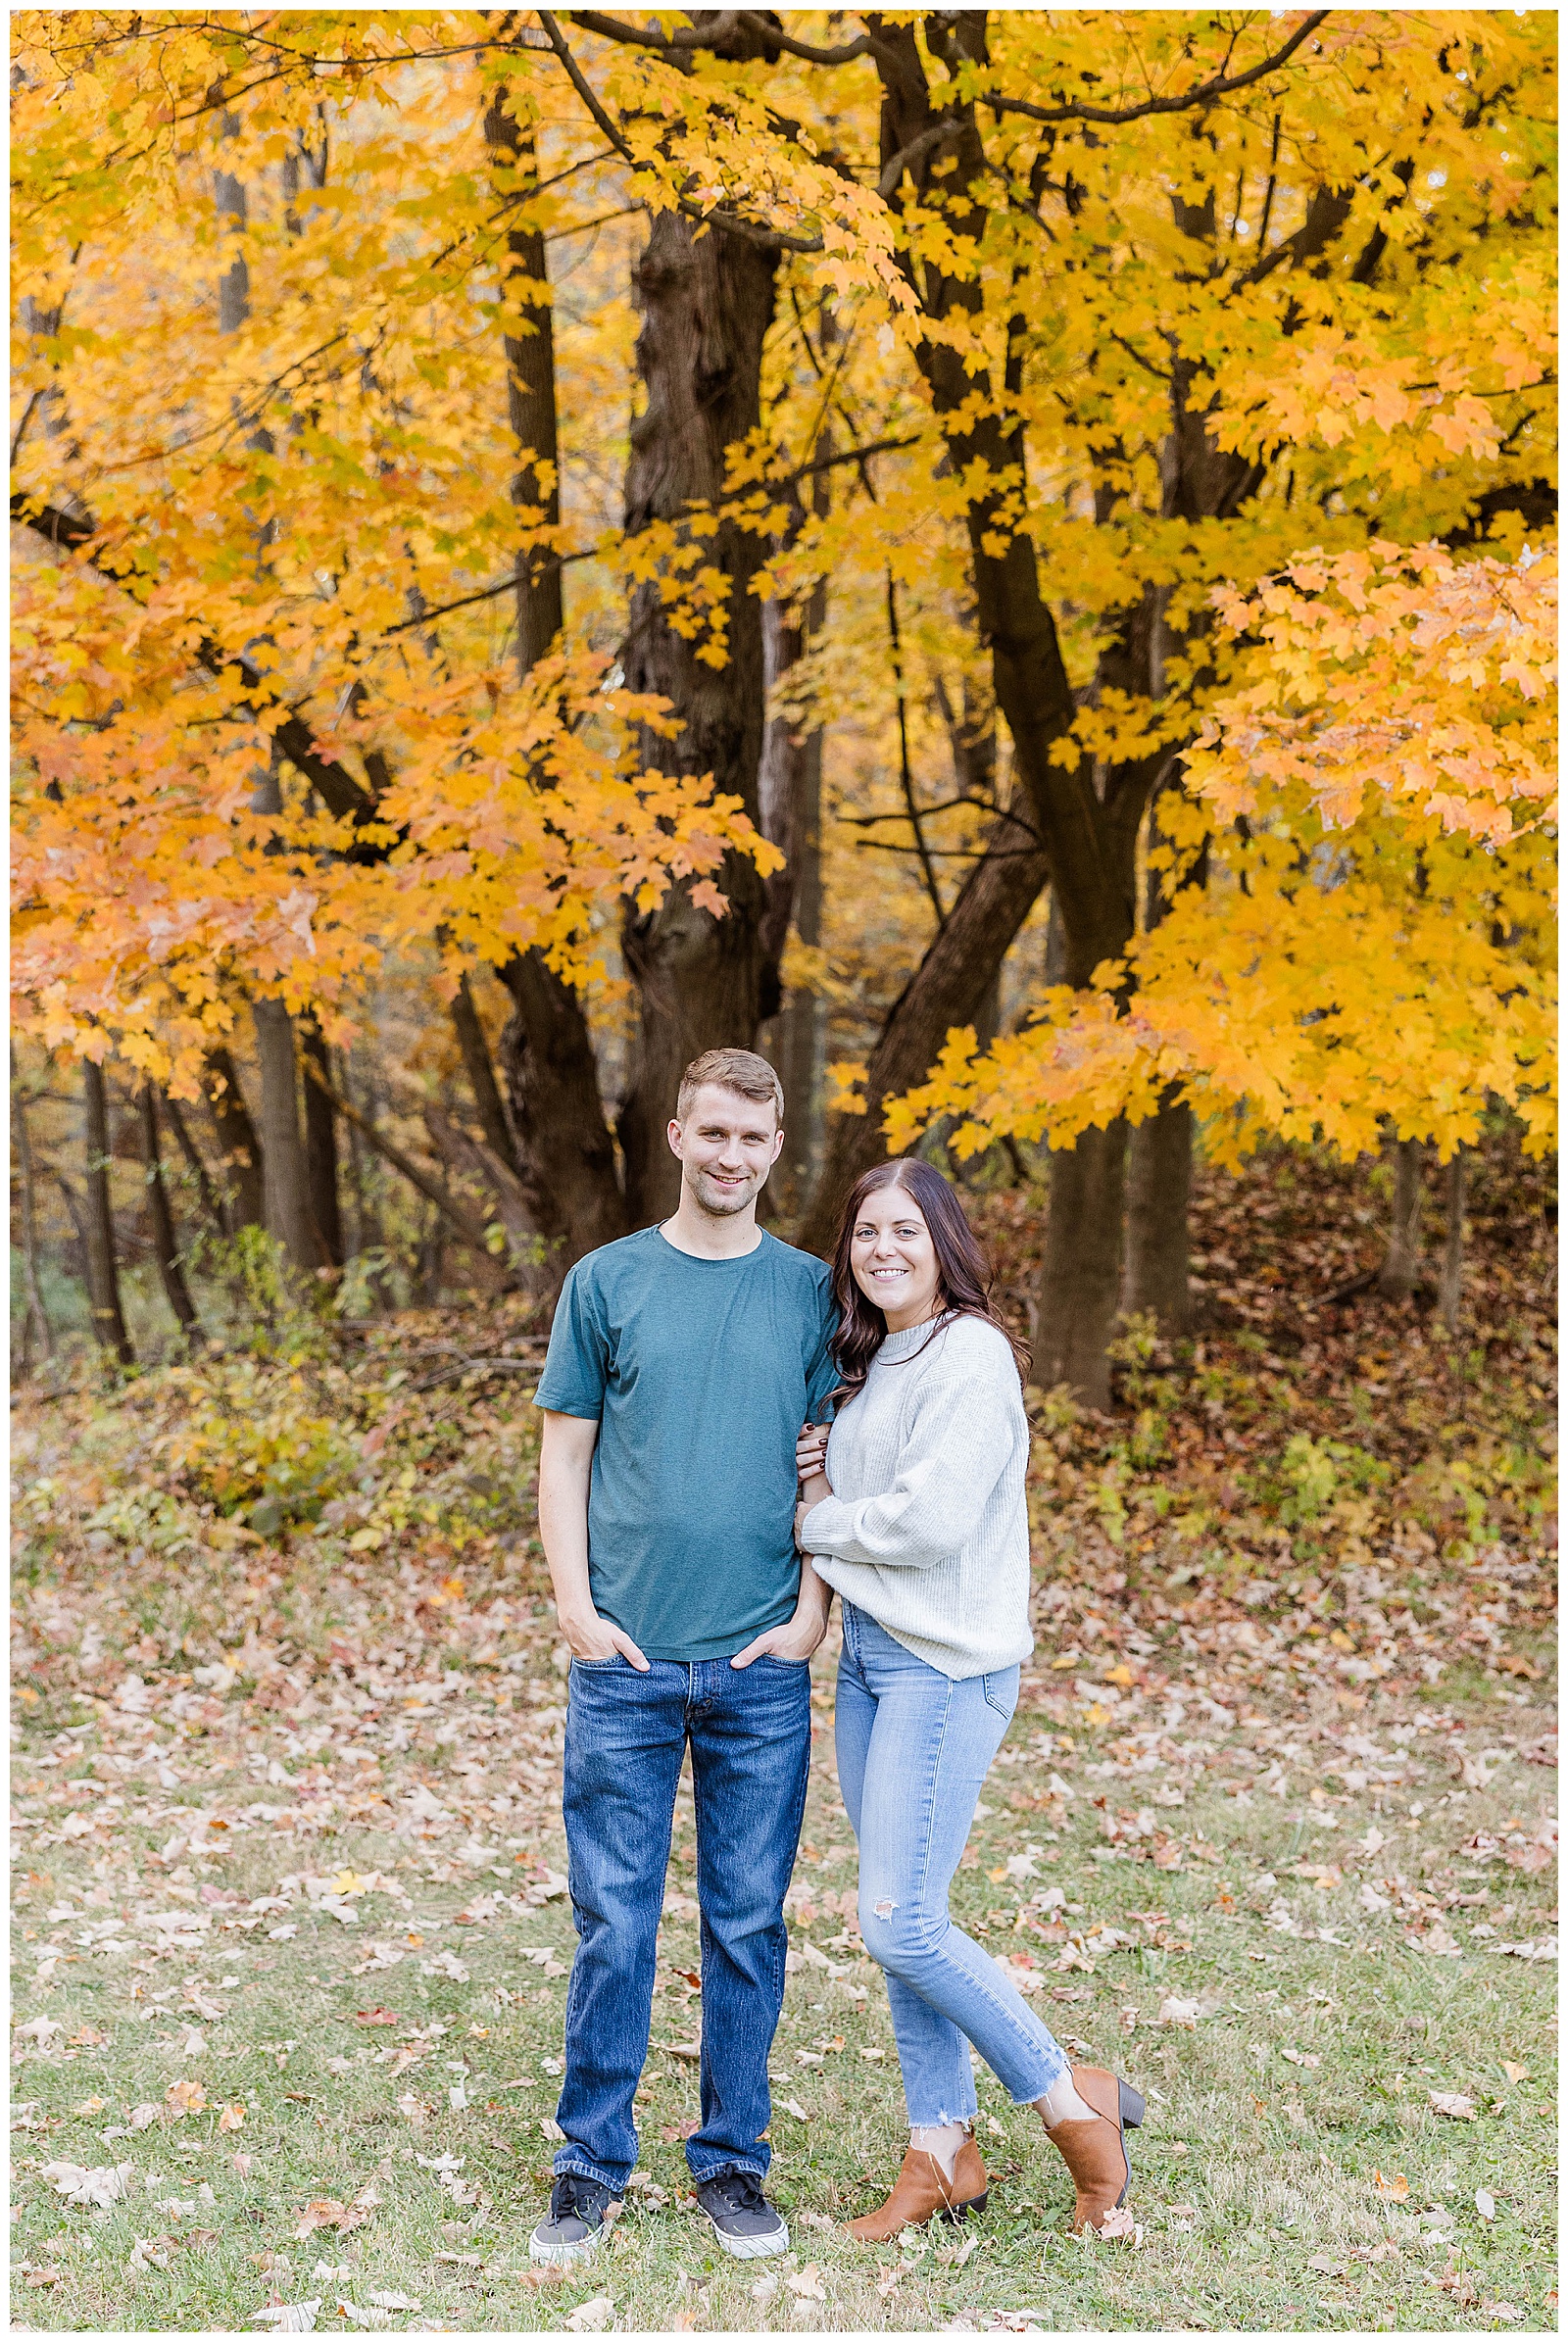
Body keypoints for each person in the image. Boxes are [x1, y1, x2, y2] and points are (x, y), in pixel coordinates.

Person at [795, 1157, 1144, 2240]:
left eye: (904, 1228)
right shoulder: (880, 1358)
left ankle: (1066, 2099)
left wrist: (816, 1513)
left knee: (898, 1920)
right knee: (907, 1913)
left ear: (944, 1238)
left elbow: (925, 1523)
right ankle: (940, 2147)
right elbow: (872, 1496)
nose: (882, 1248)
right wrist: (830, 1471)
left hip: (945, 1666)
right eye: (864, 1233)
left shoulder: (972, 1355)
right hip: (868, 1660)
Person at [528, 1049, 838, 2268]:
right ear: (674, 1135)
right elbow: (563, 1453)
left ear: (774, 1149)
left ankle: (731, 2163)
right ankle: (590, 2165)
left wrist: (811, 1614)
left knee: (748, 1921)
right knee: (614, 1920)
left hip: (762, 1663)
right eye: (712, 1133)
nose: (731, 1156)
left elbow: (831, 1465)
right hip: (628, 1662)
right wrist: (574, 1605)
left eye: (752, 1140)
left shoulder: (813, 1292)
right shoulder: (605, 1282)